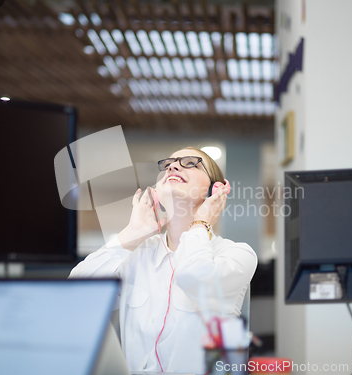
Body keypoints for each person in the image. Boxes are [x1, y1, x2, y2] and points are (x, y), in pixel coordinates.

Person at [69, 147, 258, 374]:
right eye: (169, 163)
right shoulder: (138, 253)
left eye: (191, 162)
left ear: (214, 190)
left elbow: (193, 276)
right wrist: (133, 233)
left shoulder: (237, 255)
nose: (173, 166)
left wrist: (201, 223)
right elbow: (76, 293)